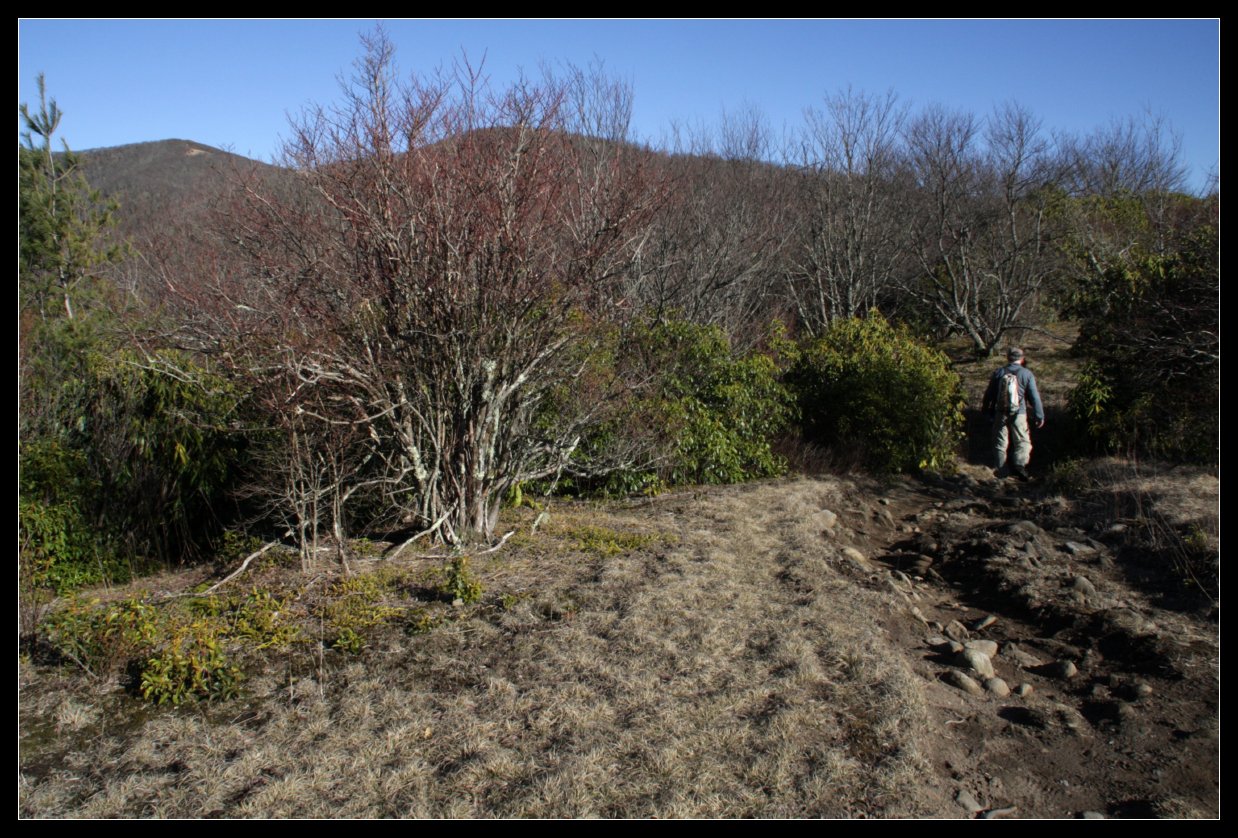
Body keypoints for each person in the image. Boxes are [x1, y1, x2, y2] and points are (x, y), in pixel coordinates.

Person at [982, 347, 1045, 481]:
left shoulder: (999, 372)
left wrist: (986, 410)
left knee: (1000, 442)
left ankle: (1001, 471)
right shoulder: (1026, 374)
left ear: (1008, 357)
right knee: (1022, 441)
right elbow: (1034, 397)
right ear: (1022, 359)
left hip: (1001, 412)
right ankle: (1019, 465)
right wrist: (1039, 415)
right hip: (1019, 413)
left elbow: (989, 394)